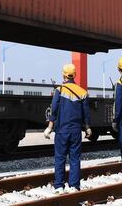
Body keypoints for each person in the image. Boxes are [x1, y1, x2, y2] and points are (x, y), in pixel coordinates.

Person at [43, 63, 92, 193]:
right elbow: (86, 113)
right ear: (74, 75)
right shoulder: (83, 92)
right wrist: (87, 128)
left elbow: (54, 110)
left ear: (64, 75)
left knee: (60, 158)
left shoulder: (59, 90)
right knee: (75, 159)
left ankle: (59, 186)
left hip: (62, 131)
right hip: (75, 131)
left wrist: (49, 127)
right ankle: (74, 186)